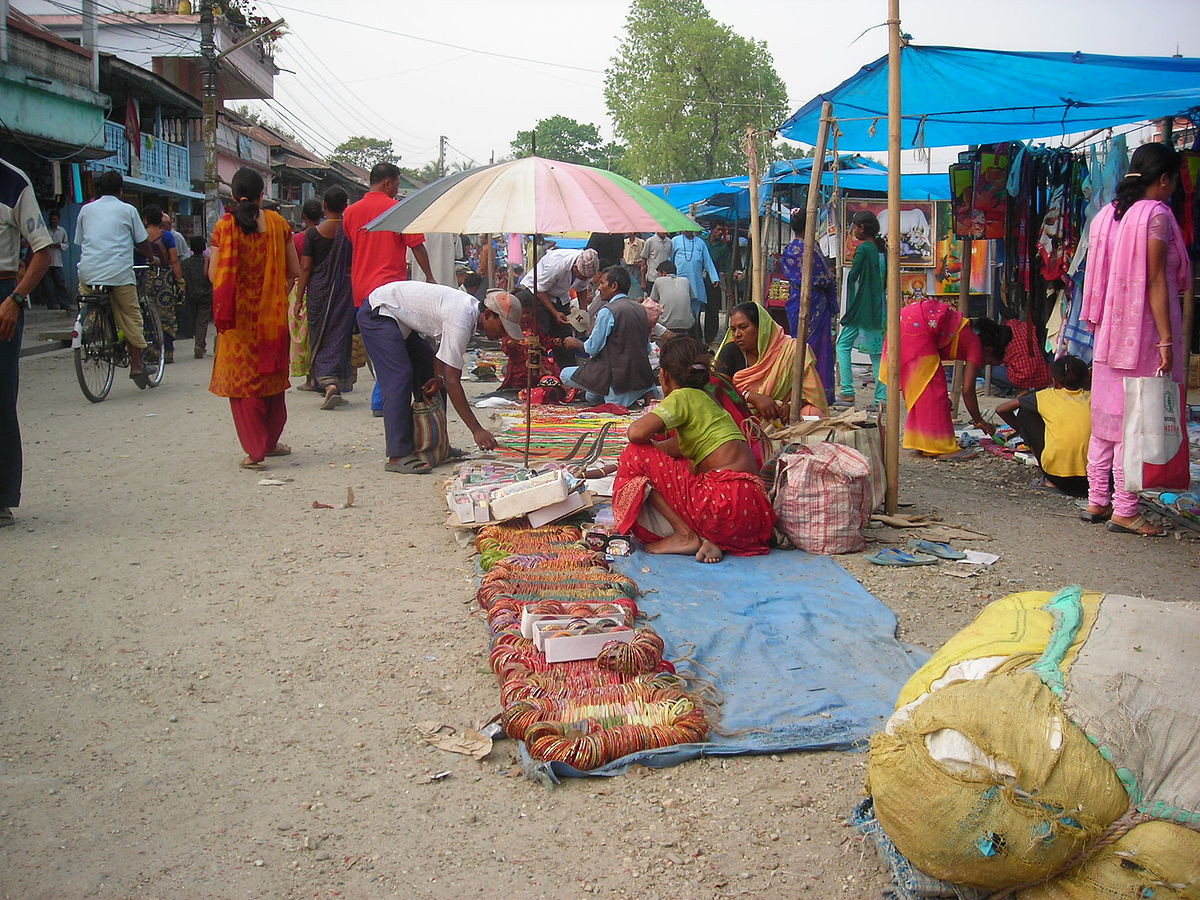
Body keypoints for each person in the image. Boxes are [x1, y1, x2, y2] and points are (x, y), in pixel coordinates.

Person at [1081, 142, 1190, 537]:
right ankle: (1124, 510)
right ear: (1164, 180)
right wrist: (1166, 340)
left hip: (1111, 327)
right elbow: (1157, 280)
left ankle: (1097, 498)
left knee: (1106, 419)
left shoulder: (1112, 215)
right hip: (1142, 333)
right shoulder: (1156, 215)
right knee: (1135, 420)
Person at [613, 335, 774, 562]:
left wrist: (649, 450)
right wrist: (657, 449)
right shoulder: (709, 400)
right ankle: (715, 539)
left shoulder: (682, 396)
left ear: (664, 375)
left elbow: (636, 434)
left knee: (634, 453)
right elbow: (679, 448)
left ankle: (685, 534)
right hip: (753, 513)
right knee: (679, 463)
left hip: (723, 502)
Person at [358, 281, 522, 473]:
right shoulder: (461, 317)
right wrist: (477, 430)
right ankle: (398, 455)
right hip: (379, 312)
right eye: (502, 328)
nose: (502, 335)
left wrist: (438, 378)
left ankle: (437, 446)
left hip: (399, 318)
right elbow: (454, 382)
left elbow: (442, 355)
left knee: (432, 378)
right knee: (399, 378)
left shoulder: (467, 312)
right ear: (488, 315)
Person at [207, 168, 300, 470]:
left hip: (236, 320)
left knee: (244, 384)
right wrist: (276, 294)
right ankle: (270, 442)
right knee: (270, 377)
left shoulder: (225, 227)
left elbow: (214, 275)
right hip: (270, 316)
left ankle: (255, 450)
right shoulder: (278, 224)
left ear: (232, 196)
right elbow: (294, 270)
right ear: (263, 195)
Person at [343, 162, 435, 417]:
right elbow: (417, 247)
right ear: (387, 182)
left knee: (379, 350)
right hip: (390, 292)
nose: (397, 189)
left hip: (362, 291)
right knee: (396, 352)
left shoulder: (350, 212)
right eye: (396, 183)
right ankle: (383, 399)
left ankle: (381, 398)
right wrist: (429, 276)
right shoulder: (399, 210)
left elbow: (353, 243)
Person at [888, 299, 1011, 456]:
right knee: (934, 388)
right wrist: (979, 421)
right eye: (988, 362)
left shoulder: (967, 333)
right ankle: (940, 447)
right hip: (918, 328)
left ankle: (922, 443)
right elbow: (967, 391)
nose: (982, 364)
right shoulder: (975, 344)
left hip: (907, 322)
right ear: (988, 350)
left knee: (925, 391)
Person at [1, 158, 52, 528]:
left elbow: (42, 252)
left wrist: (15, 300)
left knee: (1, 395)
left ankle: (1, 497)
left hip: (3, 298)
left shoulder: (12, 182)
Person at [76, 171, 154, 386]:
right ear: (121, 190)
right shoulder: (128, 210)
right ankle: (137, 366)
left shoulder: (85, 210)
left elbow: (81, 241)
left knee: (88, 298)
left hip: (89, 272)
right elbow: (143, 241)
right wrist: (152, 258)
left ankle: (92, 325)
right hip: (119, 273)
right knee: (131, 316)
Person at [560, 265, 657, 408]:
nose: (599, 288)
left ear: (614, 286)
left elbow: (592, 348)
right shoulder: (640, 309)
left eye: (602, 283)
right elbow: (647, 348)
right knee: (591, 396)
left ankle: (616, 394)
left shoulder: (608, 311)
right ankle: (638, 394)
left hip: (617, 376)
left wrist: (576, 343)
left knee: (564, 374)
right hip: (641, 375)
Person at [716, 301, 829, 422]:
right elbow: (718, 388)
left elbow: (810, 394)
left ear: (762, 327)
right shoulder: (731, 351)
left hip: (782, 417)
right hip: (744, 418)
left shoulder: (791, 350)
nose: (737, 334)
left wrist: (791, 407)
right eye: (733, 329)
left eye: (743, 327)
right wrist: (751, 397)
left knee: (813, 414)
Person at [995, 355, 1091, 497]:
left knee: (1025, 412)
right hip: (1095, 481)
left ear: (1054, 381)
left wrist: (1022, 431)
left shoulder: (1044, 396)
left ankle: (1049, 480)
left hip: (1057, 477)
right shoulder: (1094, 397)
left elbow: (1001, 409)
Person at [295, 187, 355, 410]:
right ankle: (334, 381)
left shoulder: (312, 234)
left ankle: (326, 383)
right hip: (344, 291)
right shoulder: (349, 233)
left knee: (318, 335)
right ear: (345, 206)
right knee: (339, 335)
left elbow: (306, 268)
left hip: (318, 292)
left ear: (325, 207)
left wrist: (299, 298)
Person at [780, 209, 838, 403]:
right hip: (816, 304)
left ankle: (802, 391)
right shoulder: (811, 249)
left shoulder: (789, 249)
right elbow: (824, 278)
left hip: (796, 301)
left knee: (801, 346)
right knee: (819, 349)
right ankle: (819, 394)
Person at [516, 246, 599, 369]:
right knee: (541, 333)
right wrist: (555, 313)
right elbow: (540, 290)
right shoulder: (557, 264)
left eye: (586, 278)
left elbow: (582, 289)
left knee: (565, 334)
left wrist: (583, 313)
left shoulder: (588, 268)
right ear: (575, 267)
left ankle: (567, 371)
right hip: (536, 292)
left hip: (560, 296)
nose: (583, 279)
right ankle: (539, 369)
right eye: (581, 276)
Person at [836, 210, 886, 406]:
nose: (853, 231)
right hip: (879, 307)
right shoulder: (882, 250)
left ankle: (847, 391)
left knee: (842, 345)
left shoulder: (864, 249)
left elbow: (854, 277)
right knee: (877, 353)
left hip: (862, 308)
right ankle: (882, 398)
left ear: (862, 228)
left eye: (854, 227)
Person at [137, 204, 183, 364]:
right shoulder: (168, 236)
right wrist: (180, 281)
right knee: (166, 315)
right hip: (163, 279)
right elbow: (174, 261)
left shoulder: (139, 236)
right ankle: (168, 351)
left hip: (143, 279)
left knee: (146, 315)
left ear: (146, 219)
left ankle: (152, 351)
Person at [289, 199, 322, 390]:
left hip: (300, 288)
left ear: (303, 216)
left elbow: (295, 269)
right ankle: (322, 375)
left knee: (302, 335)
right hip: (322, 287)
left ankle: (310, 378)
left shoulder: (297, 240)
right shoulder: (329, 235)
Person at [670, 231, 718, 326]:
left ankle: (695, 333)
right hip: (679, 282)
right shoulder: (675, 241)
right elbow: (670, 260)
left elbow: (707, 260)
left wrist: (714, 277)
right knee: (680, 307)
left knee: (695, 312)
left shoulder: (700, 242)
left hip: (696, 282)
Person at [180, 235, 213, 359]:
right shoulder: (207, 261)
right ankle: (199, 344)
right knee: (202, 321)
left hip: (191, 295)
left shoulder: (187, 263)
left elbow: (183, 277)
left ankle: (198, 342)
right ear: (204, 247)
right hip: (205, 295)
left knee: (194, 319)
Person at [648, 259, 695, 335]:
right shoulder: (685, 281)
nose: (658, 276)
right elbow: (691, 298)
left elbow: (652, 302)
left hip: (666, 324)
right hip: (687, 324)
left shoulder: (659, 281)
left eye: (659, 274)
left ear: (663, 273)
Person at [42, 211, 73, 310]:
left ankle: (64, 304)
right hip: (47, 261)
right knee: (48, 285)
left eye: (55, 219)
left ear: (58, 220)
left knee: (60, 283)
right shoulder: (45, 230)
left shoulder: (62, 231)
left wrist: (60, 246)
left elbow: (66, 244)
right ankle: (51, 304)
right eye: (52, 219)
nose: (53, 221)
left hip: (58, 261)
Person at [639, 231, 672, 296]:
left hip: (666, 279)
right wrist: (642, 280)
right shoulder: (650, 241)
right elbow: (644, 259)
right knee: (651, 302)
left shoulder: (669, 242)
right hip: (653, 278)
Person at [622, 233, 645, 298]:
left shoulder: (641, 242)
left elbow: (644, 257)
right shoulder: (624, 242)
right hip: (626, 267)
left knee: (637, 288)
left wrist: (641, 263)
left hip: (637, 269)